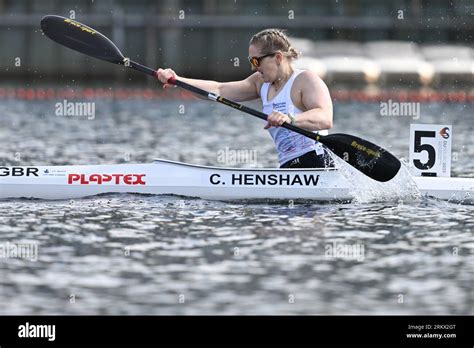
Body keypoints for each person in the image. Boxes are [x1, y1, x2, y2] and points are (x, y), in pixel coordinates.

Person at [155, 28, 334, 168]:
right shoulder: (260, 83)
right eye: (251, 62)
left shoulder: (305, 80)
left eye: (257, 61)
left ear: (278, 57)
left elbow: (325, 118)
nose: (253, 67)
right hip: (289, 167)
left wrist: (289, 118)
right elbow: (219, 89)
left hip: (317, 161)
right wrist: (178, 80)